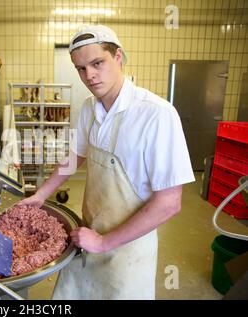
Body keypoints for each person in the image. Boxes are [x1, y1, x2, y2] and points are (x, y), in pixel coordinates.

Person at [18, 25, 195, 299]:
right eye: (80, 68)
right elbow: (75, 156)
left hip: (128, 251)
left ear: (118, 57)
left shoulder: (156, 115)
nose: (89, 75)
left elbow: (169, 203)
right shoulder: (89, 108)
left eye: (97, 63)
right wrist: (40, 195)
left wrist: (104, 242)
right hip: (88, 235)